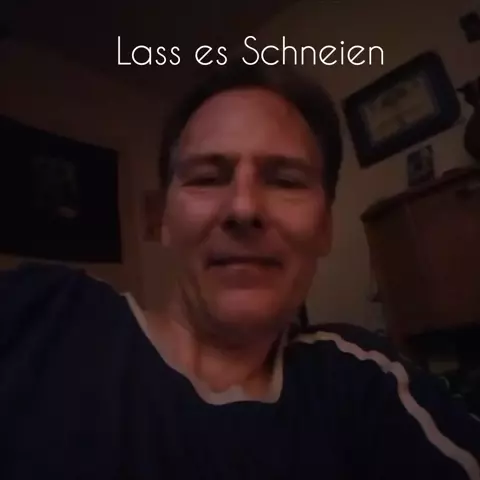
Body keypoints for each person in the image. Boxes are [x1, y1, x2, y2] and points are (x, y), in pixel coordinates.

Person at [0, 58, 479, 480]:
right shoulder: (41, 313)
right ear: (163, 220)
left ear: (324, 228)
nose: (244, 208)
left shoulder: (361, 382)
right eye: (207, 178)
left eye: (285, 181)